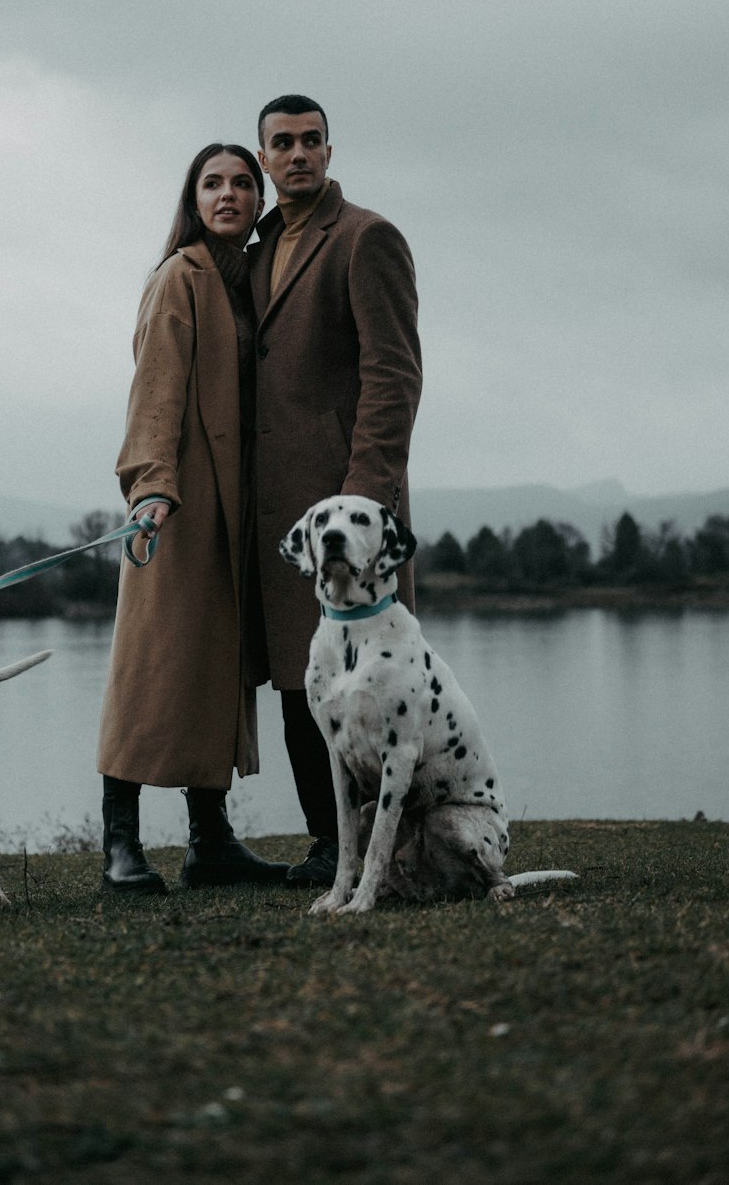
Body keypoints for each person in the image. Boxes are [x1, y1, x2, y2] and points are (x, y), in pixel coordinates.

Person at [97, 143, 289, 893]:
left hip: (238, 507)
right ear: (194, 198)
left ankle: (211, 844)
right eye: (213, 183)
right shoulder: (179, 277)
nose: (229, 194)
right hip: (176, 506)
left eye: (244, 183)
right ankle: (121, 844)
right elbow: (154, 393)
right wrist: (150, 486)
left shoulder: (252, 284)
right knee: (151, 670)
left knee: (216, 672)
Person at [249, 95, 422, 887]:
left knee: (379, 682)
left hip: (349, 510)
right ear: (263, 157)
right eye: (281, 143)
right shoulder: (255, 251)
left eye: (310, 141)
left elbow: (394, 373)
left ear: (328, 148)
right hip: (279, 514)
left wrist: (366, 504)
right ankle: (331, 844)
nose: (297, 155)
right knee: (300, 679)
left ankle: (406, 849)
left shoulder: (366, 237)